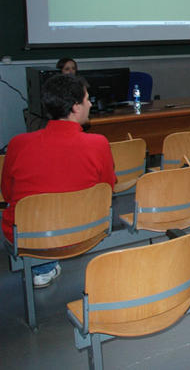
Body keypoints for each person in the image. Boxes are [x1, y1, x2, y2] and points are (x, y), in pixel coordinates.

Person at [1, 74, 115, 288]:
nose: (91, 104)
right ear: (75, 107)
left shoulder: (18, 144)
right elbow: (107, 188)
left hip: (29, 237)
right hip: (85, 230)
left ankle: (42, 266)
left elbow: (8, 193)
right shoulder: (99, 143)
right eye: (87, 99)